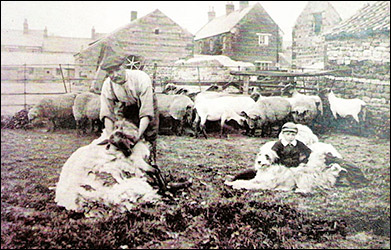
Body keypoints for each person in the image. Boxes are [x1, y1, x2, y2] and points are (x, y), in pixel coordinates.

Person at [99, 55, 159, 165]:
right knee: (122, 134)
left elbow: (146, 111)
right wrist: (110, 137)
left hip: (144, 102)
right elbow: (107, 113)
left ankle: (150, 161)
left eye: (118, 70)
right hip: (125, 105)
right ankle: (127, 164)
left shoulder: (141, 78)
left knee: (149, 133)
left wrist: (138, 135)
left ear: (124, 67)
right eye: (110, 72)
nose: (115, 75)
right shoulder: (108, 85)